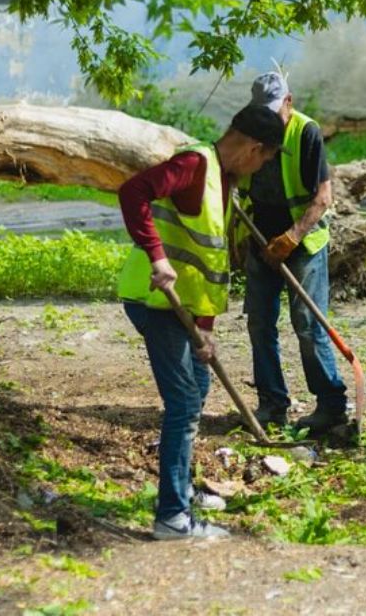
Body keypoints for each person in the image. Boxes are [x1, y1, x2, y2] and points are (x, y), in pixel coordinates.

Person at [117, 102, 286, 540]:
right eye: (264, 159)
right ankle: (172, 517)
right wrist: (156, 256)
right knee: (185, 402)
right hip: (155, 300)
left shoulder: (223, 179)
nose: (260, 168)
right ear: (253, 147)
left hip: (186, 308)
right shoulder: (193, 164)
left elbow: (208, 262)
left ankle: (181, 490)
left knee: (199, 387)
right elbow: (133, 192)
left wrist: (206, 329)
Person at [236, 72, 349, 434]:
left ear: (289, 101)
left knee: (308, 325)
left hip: (302, 242)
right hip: (260, 240)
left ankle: (331, 406)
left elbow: (323, 197)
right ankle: (272, 405)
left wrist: (292, 236)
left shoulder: (306, 132)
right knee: (259, 324)